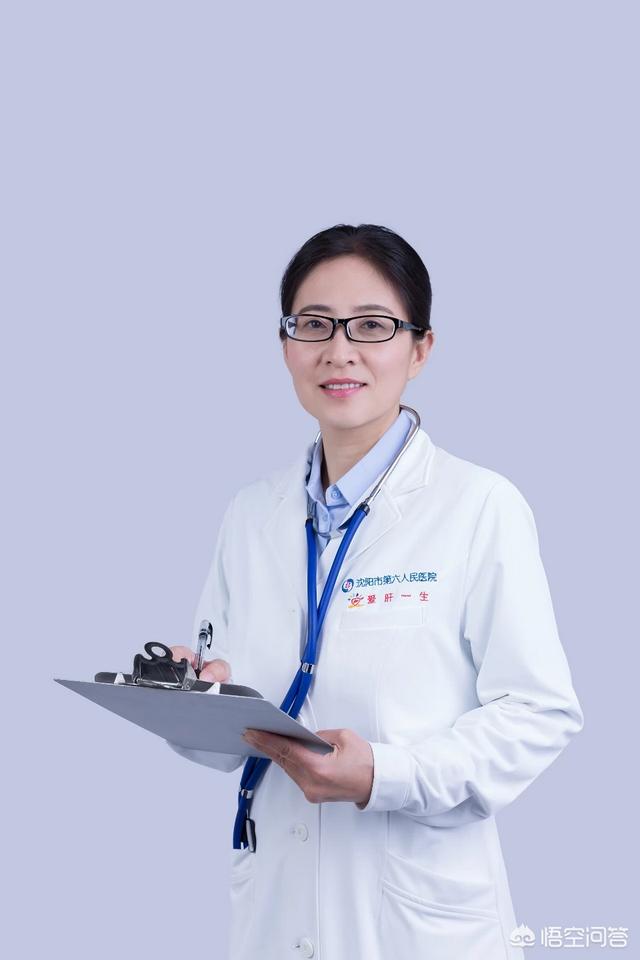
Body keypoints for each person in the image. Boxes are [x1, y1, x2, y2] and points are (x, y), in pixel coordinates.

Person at [167, 223, 584, 960]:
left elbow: (539, 714)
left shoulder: (479, 506)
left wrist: (384, 776)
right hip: (274, 912)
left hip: (418, 920)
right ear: (286, 344)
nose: (339, 350)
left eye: (371, 325)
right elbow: (232, 728)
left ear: (420, 349)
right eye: (314, 324)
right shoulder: (251, 514)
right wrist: (196, 699)